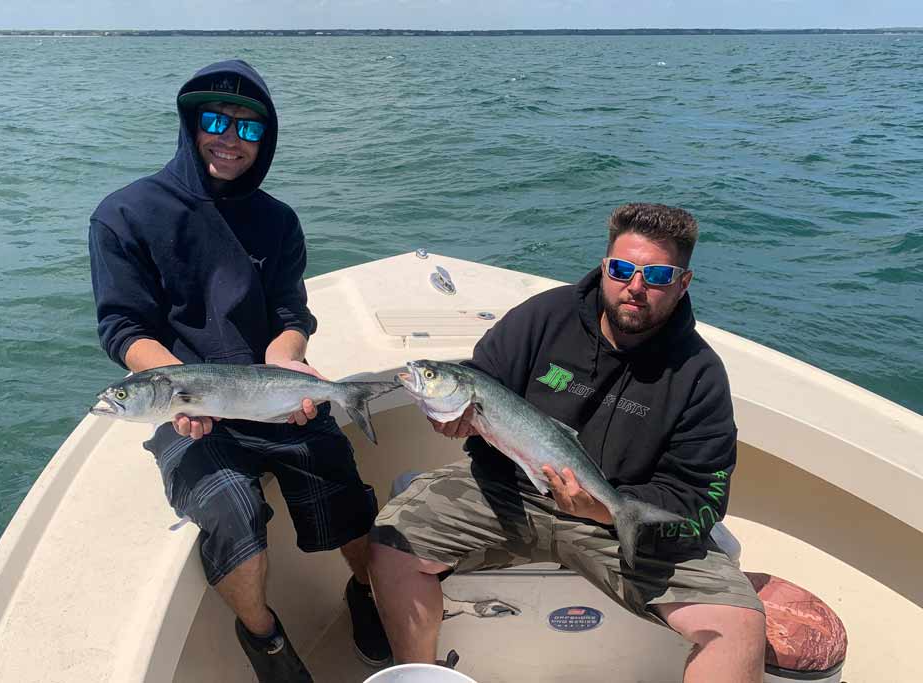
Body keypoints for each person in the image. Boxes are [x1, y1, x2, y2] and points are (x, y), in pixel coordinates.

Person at [370, 204, 767, 682]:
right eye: (622, 270)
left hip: (613, 519)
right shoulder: (544, 317)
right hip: (508, 490)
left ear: (683, 282)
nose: (635, 287)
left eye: (657, 275)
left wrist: (607, 510)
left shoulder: (699, 375)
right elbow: (481, 380)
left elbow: (702, 501)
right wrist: (453, 417)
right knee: (393, 544)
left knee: (739, 627)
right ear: (605, 268)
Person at [88, 59, 390, 681]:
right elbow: (124, 328)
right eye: (216, 121)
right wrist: (181, 392)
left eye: (249, 129)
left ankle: (364, 592)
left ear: (267, 139)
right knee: (233, 515)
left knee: (342, 488)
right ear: (190, 123)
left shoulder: (278, 221)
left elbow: (291, 314)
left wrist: (287, 355)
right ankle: (266, 641)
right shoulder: (124, 215)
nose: (230, 139)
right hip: (185, 404)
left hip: (273, 393)